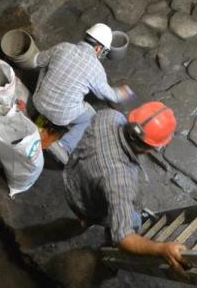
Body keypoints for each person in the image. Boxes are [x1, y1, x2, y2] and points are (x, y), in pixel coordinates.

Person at [63, 101, 190, 276]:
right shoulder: (121, 180)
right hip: (88, 203)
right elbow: (124, 238)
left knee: (91, 210)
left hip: (71, 178)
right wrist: (161, 249)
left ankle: (83, 221)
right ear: (149, 149)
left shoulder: (109, 116)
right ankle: (105, 245)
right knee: (134, 221)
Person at [32, 23, 132, 163]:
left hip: (38, 101)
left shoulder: (63, 47)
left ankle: (42, 118)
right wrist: (124, 92)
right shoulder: (96, 69)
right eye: (102, 51)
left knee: (45, 67)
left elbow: (37, 60)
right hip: (61, 116)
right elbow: (110, 95)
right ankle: (64, 146)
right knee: (91, 117)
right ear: (98, 48)